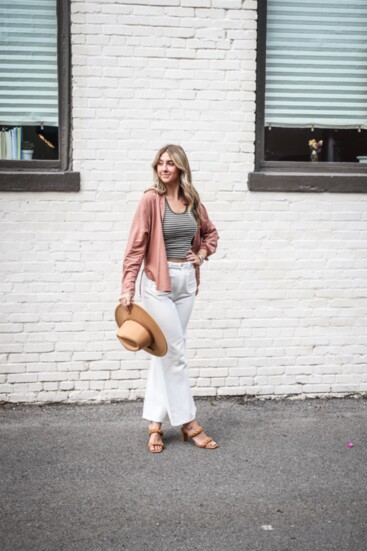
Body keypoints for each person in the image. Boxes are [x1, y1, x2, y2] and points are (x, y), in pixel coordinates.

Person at [118, 144, 219, 453]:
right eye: (160, 163)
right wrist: (127, 286)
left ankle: (155, 424)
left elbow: (211, 234)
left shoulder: (193, 202)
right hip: (158, 285)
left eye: (170, 164)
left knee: (165, 353)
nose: (164, 168)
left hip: (186, 281)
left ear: (180, 169)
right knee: (176, 353)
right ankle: (189, 423)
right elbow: (137, 245)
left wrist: (200, 254)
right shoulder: (151, 200)